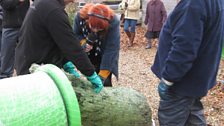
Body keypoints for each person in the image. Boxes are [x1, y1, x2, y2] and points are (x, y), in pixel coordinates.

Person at [151, 0, 224, 125]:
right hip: (196, 78)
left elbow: (184, 48)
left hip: (182, 82)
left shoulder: (193, 3)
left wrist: (168, 79)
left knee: (171, 119)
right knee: (192, 115)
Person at [15, 0, 103, 93]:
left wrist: (65, 62)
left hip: (26, 60)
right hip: (34, 70)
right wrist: (90, 73)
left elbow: (56, 39)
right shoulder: (53, 11)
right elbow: (71, 45)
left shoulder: (46, 3)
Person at [73, 3, 120, 87]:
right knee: (90, 77)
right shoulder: (80, 17)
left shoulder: (113, 20)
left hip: (103, 52)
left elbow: (112, 48)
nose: (95, 30)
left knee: (105, 82)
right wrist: (83, 43)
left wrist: (102, 76)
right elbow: (75, 35)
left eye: (99, 28)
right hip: (89, 55)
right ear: (88, 19)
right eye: (93, 27)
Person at [0, 0, 30, 79]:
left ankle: (25, 78)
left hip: (25, 25)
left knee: (26, 55)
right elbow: (5, 4)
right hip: (9, 27)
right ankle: (4, 81)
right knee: (6, 58)